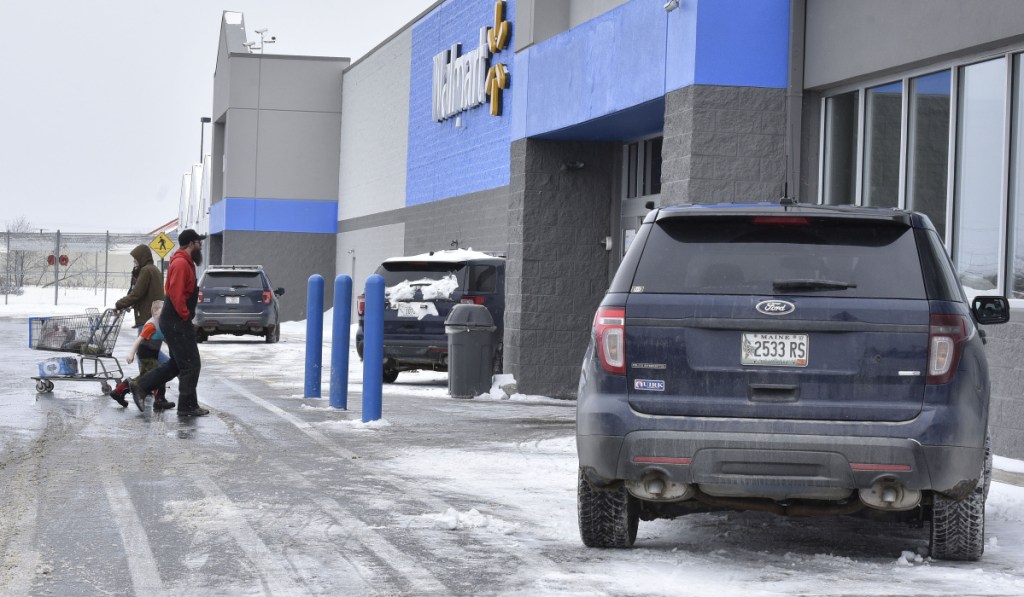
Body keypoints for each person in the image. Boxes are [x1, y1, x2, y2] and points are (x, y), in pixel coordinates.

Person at [129, 229, 209, 416]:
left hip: (175, 320)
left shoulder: (185, 262)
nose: (201, 245)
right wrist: (185, 317)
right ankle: (187, 406)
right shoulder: (181, 263)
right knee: (191, 364)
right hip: (176, 321)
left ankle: (141, 386)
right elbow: (175, 293)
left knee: (178, 364)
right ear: (191, 244)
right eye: (199, 242)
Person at [110, 244, 167, 402]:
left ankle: (172, 368)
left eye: (136, 259)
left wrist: (119, 303)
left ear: (141, 258)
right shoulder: (153, 270)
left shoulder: (146, 271)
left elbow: (137, 293)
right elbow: (144, 294)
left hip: (148, 318)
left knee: (150, 354)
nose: (134, 262)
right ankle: (145, 388)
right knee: (146, 357)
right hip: (154, 316)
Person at [109, 300, 174, 411]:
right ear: (155, 312)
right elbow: (139, 339)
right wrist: (131, 354)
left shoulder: (161, 323)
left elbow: (165, 339)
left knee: (145, 377)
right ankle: (159, 400)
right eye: (163, 311)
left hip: (153, 354)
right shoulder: (151, 325)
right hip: (146, 354)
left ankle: (118, 391)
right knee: (158, 374)